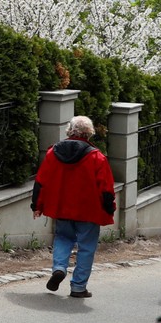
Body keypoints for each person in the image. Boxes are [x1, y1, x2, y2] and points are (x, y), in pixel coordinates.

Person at [31, 115, 116, 298]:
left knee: (63, 237)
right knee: (86, 247)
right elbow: (106, 189)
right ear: (89, 134)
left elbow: (40, 182)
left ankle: (59, 268)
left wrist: (36, 205)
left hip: (62, 207)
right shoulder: (97, 157)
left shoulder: (53, 153)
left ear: (69, 131)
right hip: (89, 210)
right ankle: (78, 287)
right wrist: (110, 208)